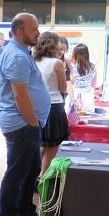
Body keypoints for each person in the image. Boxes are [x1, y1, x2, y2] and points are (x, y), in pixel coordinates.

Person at [0, 13, 51, 216]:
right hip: (22, 124)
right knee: (17, 172)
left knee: (30, 169)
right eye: (33, 29)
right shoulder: (16, 56)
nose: (38, 32)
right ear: (19, 31)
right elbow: (20, 96)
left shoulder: (21, 53)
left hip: (25, 123)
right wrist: (33, 122)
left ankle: (25, 210)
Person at [33, 32, 69, 177]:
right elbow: (63, 88)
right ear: (53, 45)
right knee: (53, 145)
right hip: (54, 105)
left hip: (37, 105)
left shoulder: (33, 61)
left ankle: (35, 175)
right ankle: (43, 176)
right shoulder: (57, 63)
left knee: (42, 143)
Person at [70, 44, 97, 113]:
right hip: (88, 98)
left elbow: (70, 83)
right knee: (87, 121)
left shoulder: (71, 66)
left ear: (75, 53)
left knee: (72, 121)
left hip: (74, 96)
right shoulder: (93, 67)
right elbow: (93, 84)